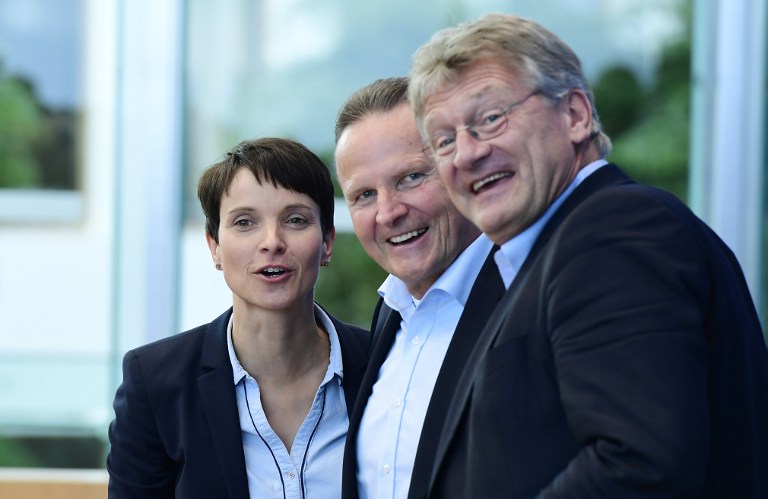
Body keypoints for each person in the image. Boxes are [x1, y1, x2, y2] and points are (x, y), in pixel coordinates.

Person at [407, 12, 768, 498]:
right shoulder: (553, 250)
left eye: (490, 119)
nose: (466, 154)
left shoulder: (613, 233)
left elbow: (640, 464)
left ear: (575, 115)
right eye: (444, 140)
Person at [107, 137, 370, 498]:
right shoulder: (155, 384)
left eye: (295, 220)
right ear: (214, 246)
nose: (271, 242)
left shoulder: (382, 363)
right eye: (245, 222)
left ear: (326, 241)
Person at [333, 77, 504, 499]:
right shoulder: (390, 312)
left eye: (410, 177)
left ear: (458, 168)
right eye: (364, 195)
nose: (389, 212)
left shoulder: (528, 297)